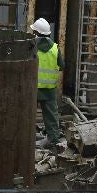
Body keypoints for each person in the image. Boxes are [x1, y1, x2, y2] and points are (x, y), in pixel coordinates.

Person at [31, 18, 64, 148]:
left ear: (36, 32)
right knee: (51, 115)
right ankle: (54, 139)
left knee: (28, 114)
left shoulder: (31, 46)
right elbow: (61, 66)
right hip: (49, 89)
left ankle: (28, 135)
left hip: (33, 88)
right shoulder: (55, 48)